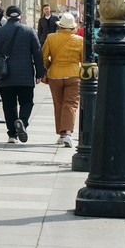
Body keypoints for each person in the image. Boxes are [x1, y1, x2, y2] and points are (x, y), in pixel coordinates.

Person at [0, 5, 46, 144]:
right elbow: (37, 53)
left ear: (7, 17)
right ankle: (23, 121)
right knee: (27, 102)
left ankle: (12, 135)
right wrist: (40, 72)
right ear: (20, 16)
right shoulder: (29, 31)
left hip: (5, 75)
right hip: (25, 75)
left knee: (9, 105)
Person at [42, 13, 84, 148]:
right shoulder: (80, 40)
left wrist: (50, 67)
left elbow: (43, 57)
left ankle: (61, 134)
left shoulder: (51, 37)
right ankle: (68, 133)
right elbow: (83, 61)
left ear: (60, 25)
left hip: (55, 75)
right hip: (73, 75)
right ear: (73, 27)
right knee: (71, 104)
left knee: (58, 104)